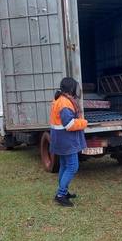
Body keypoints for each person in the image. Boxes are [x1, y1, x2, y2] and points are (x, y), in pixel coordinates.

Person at [49, 77, 88, 207]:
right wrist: (84, 123)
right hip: (66, 141)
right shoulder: (65, 103)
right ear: (71, 89)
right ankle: (61, 195)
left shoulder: (60, 100)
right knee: (72, 167)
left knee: (65, 166)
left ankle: (63, 192)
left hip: (61, 140)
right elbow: (69, 124)